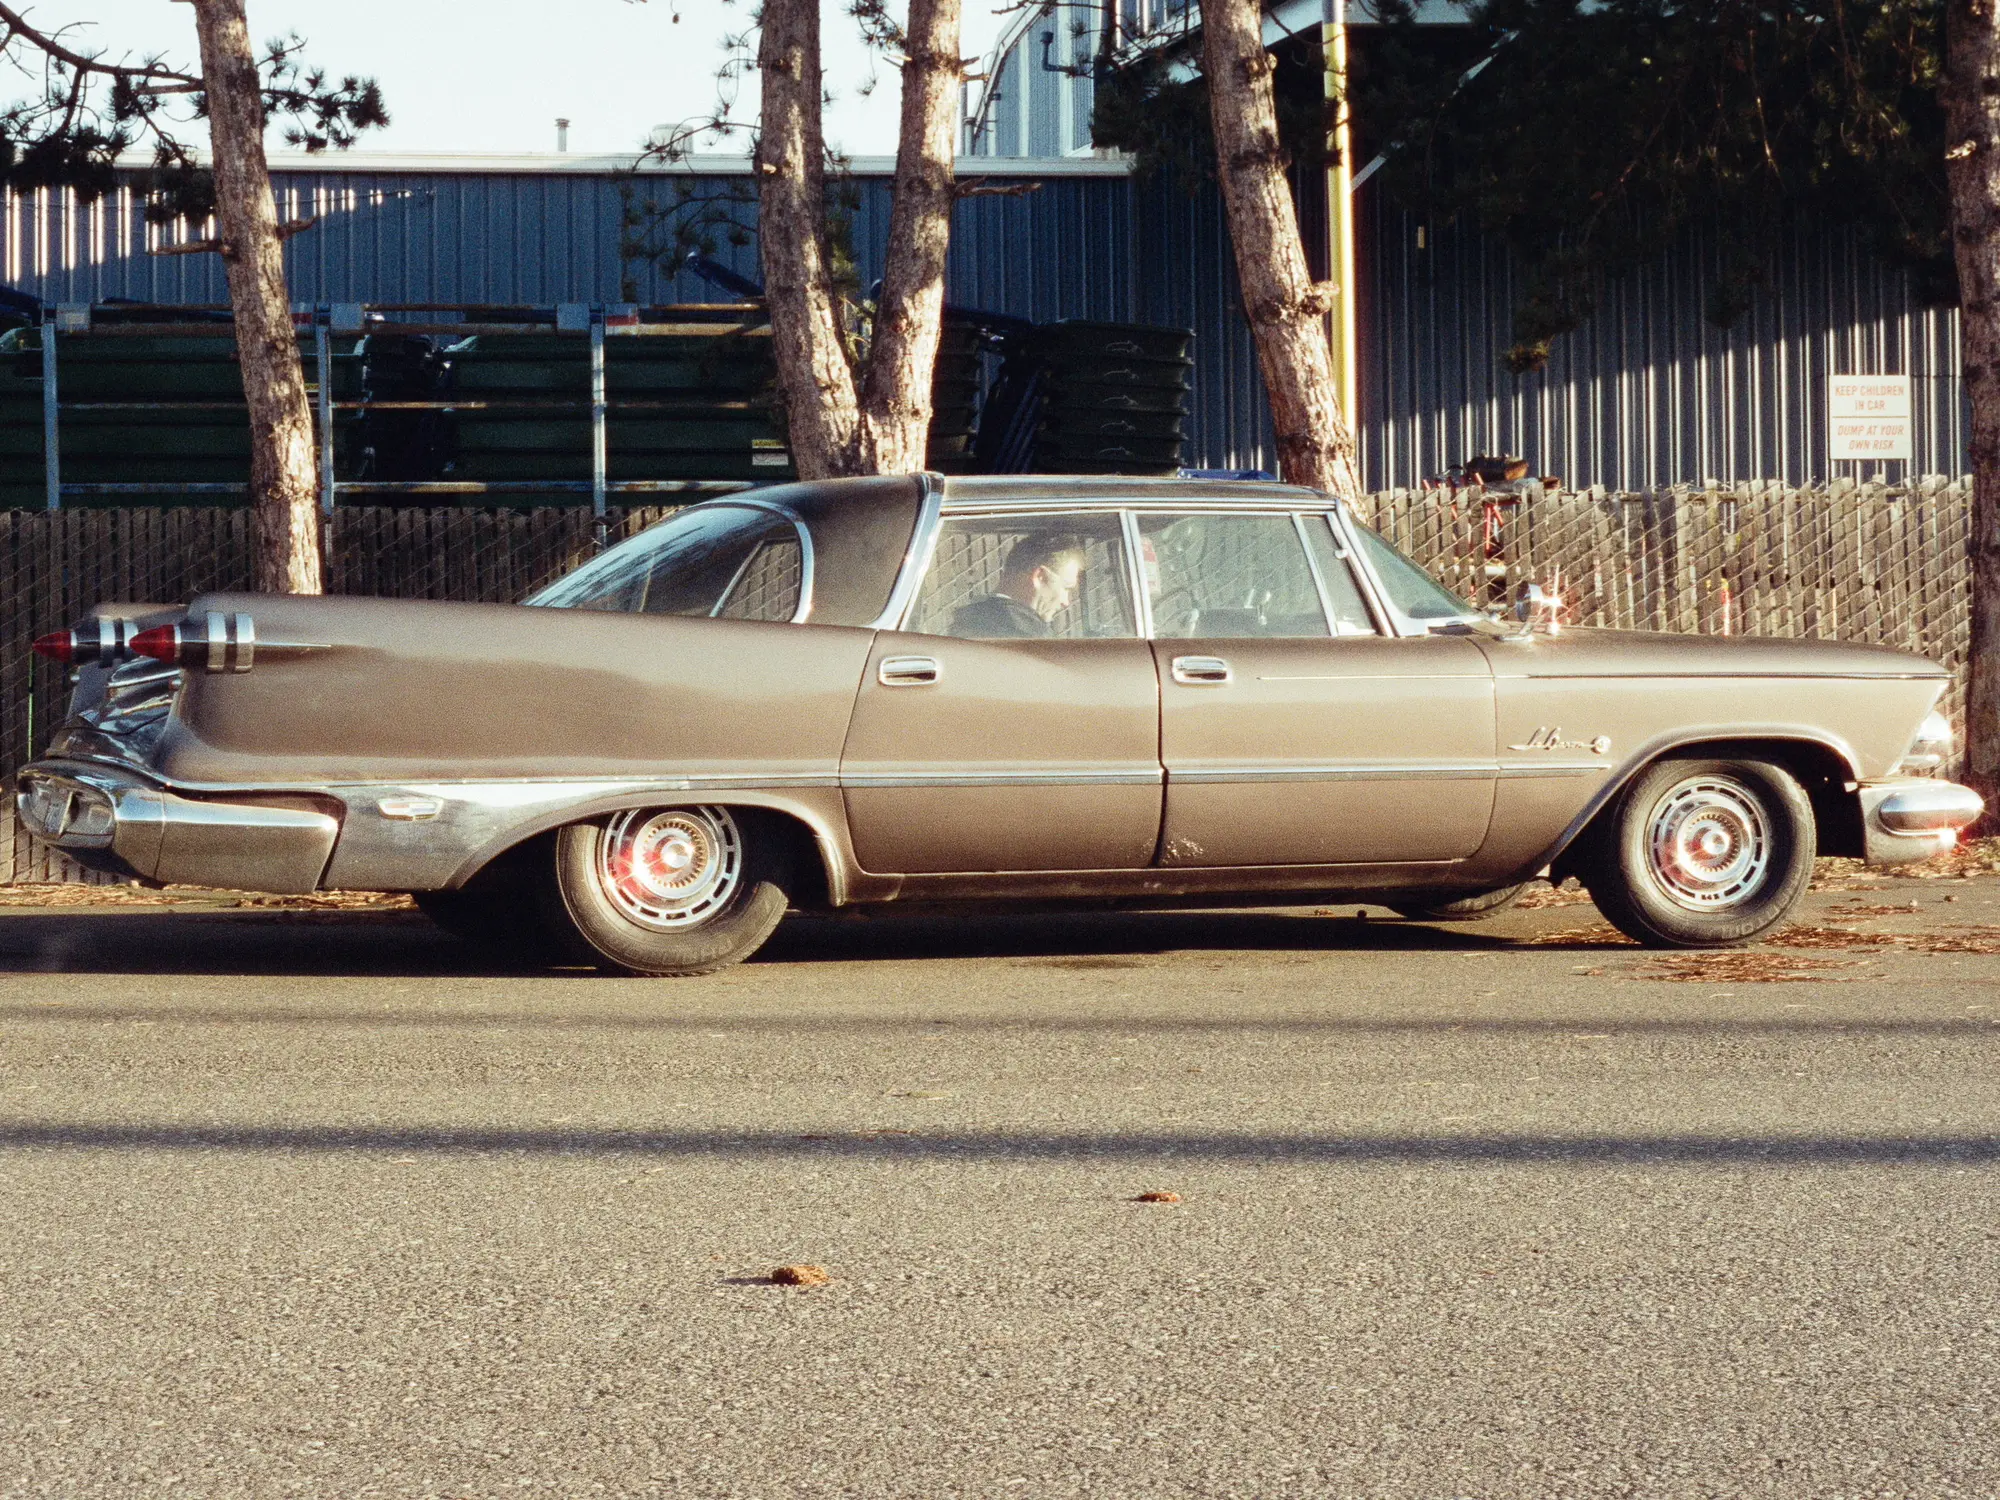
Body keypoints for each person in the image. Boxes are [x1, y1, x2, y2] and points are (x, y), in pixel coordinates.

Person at [949, 533, 1087, 638]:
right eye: (1066, 587)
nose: (1066, 602)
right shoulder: (1028, 635)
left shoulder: (967, 621)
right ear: (1040, 577)